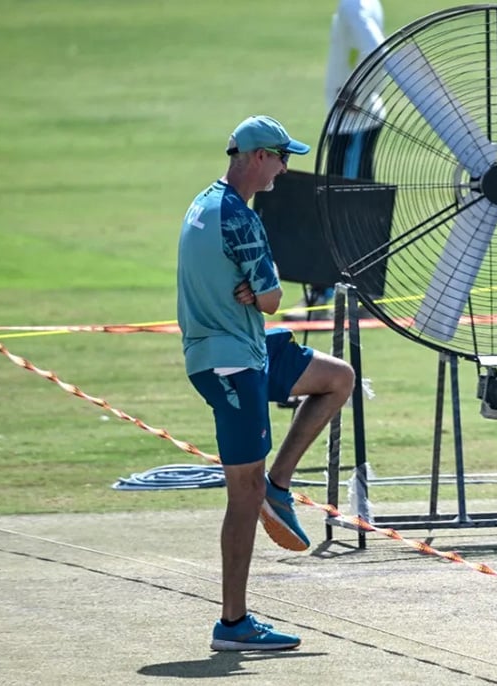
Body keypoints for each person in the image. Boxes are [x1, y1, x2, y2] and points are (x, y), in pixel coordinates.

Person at [178, 115, 356, 650]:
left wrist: (255, 300)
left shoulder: (205, 203)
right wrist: (258, 298)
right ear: (258, 158)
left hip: (245, 346)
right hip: (232, 363)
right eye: (283, 157)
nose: (285, 167)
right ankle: (233, 625)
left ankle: (280, 485)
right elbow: (274, 296)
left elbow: (260, 299)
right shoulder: (241, 220)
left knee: (337, 378)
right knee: (241, 493)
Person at [284, 0, 387, 321]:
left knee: (344, 209)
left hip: (354, 122)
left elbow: (380, 54)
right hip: (351, 121)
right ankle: (350, 293)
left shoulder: (352, 5)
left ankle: (341, 296)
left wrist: (358, 92)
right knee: (344, 206)